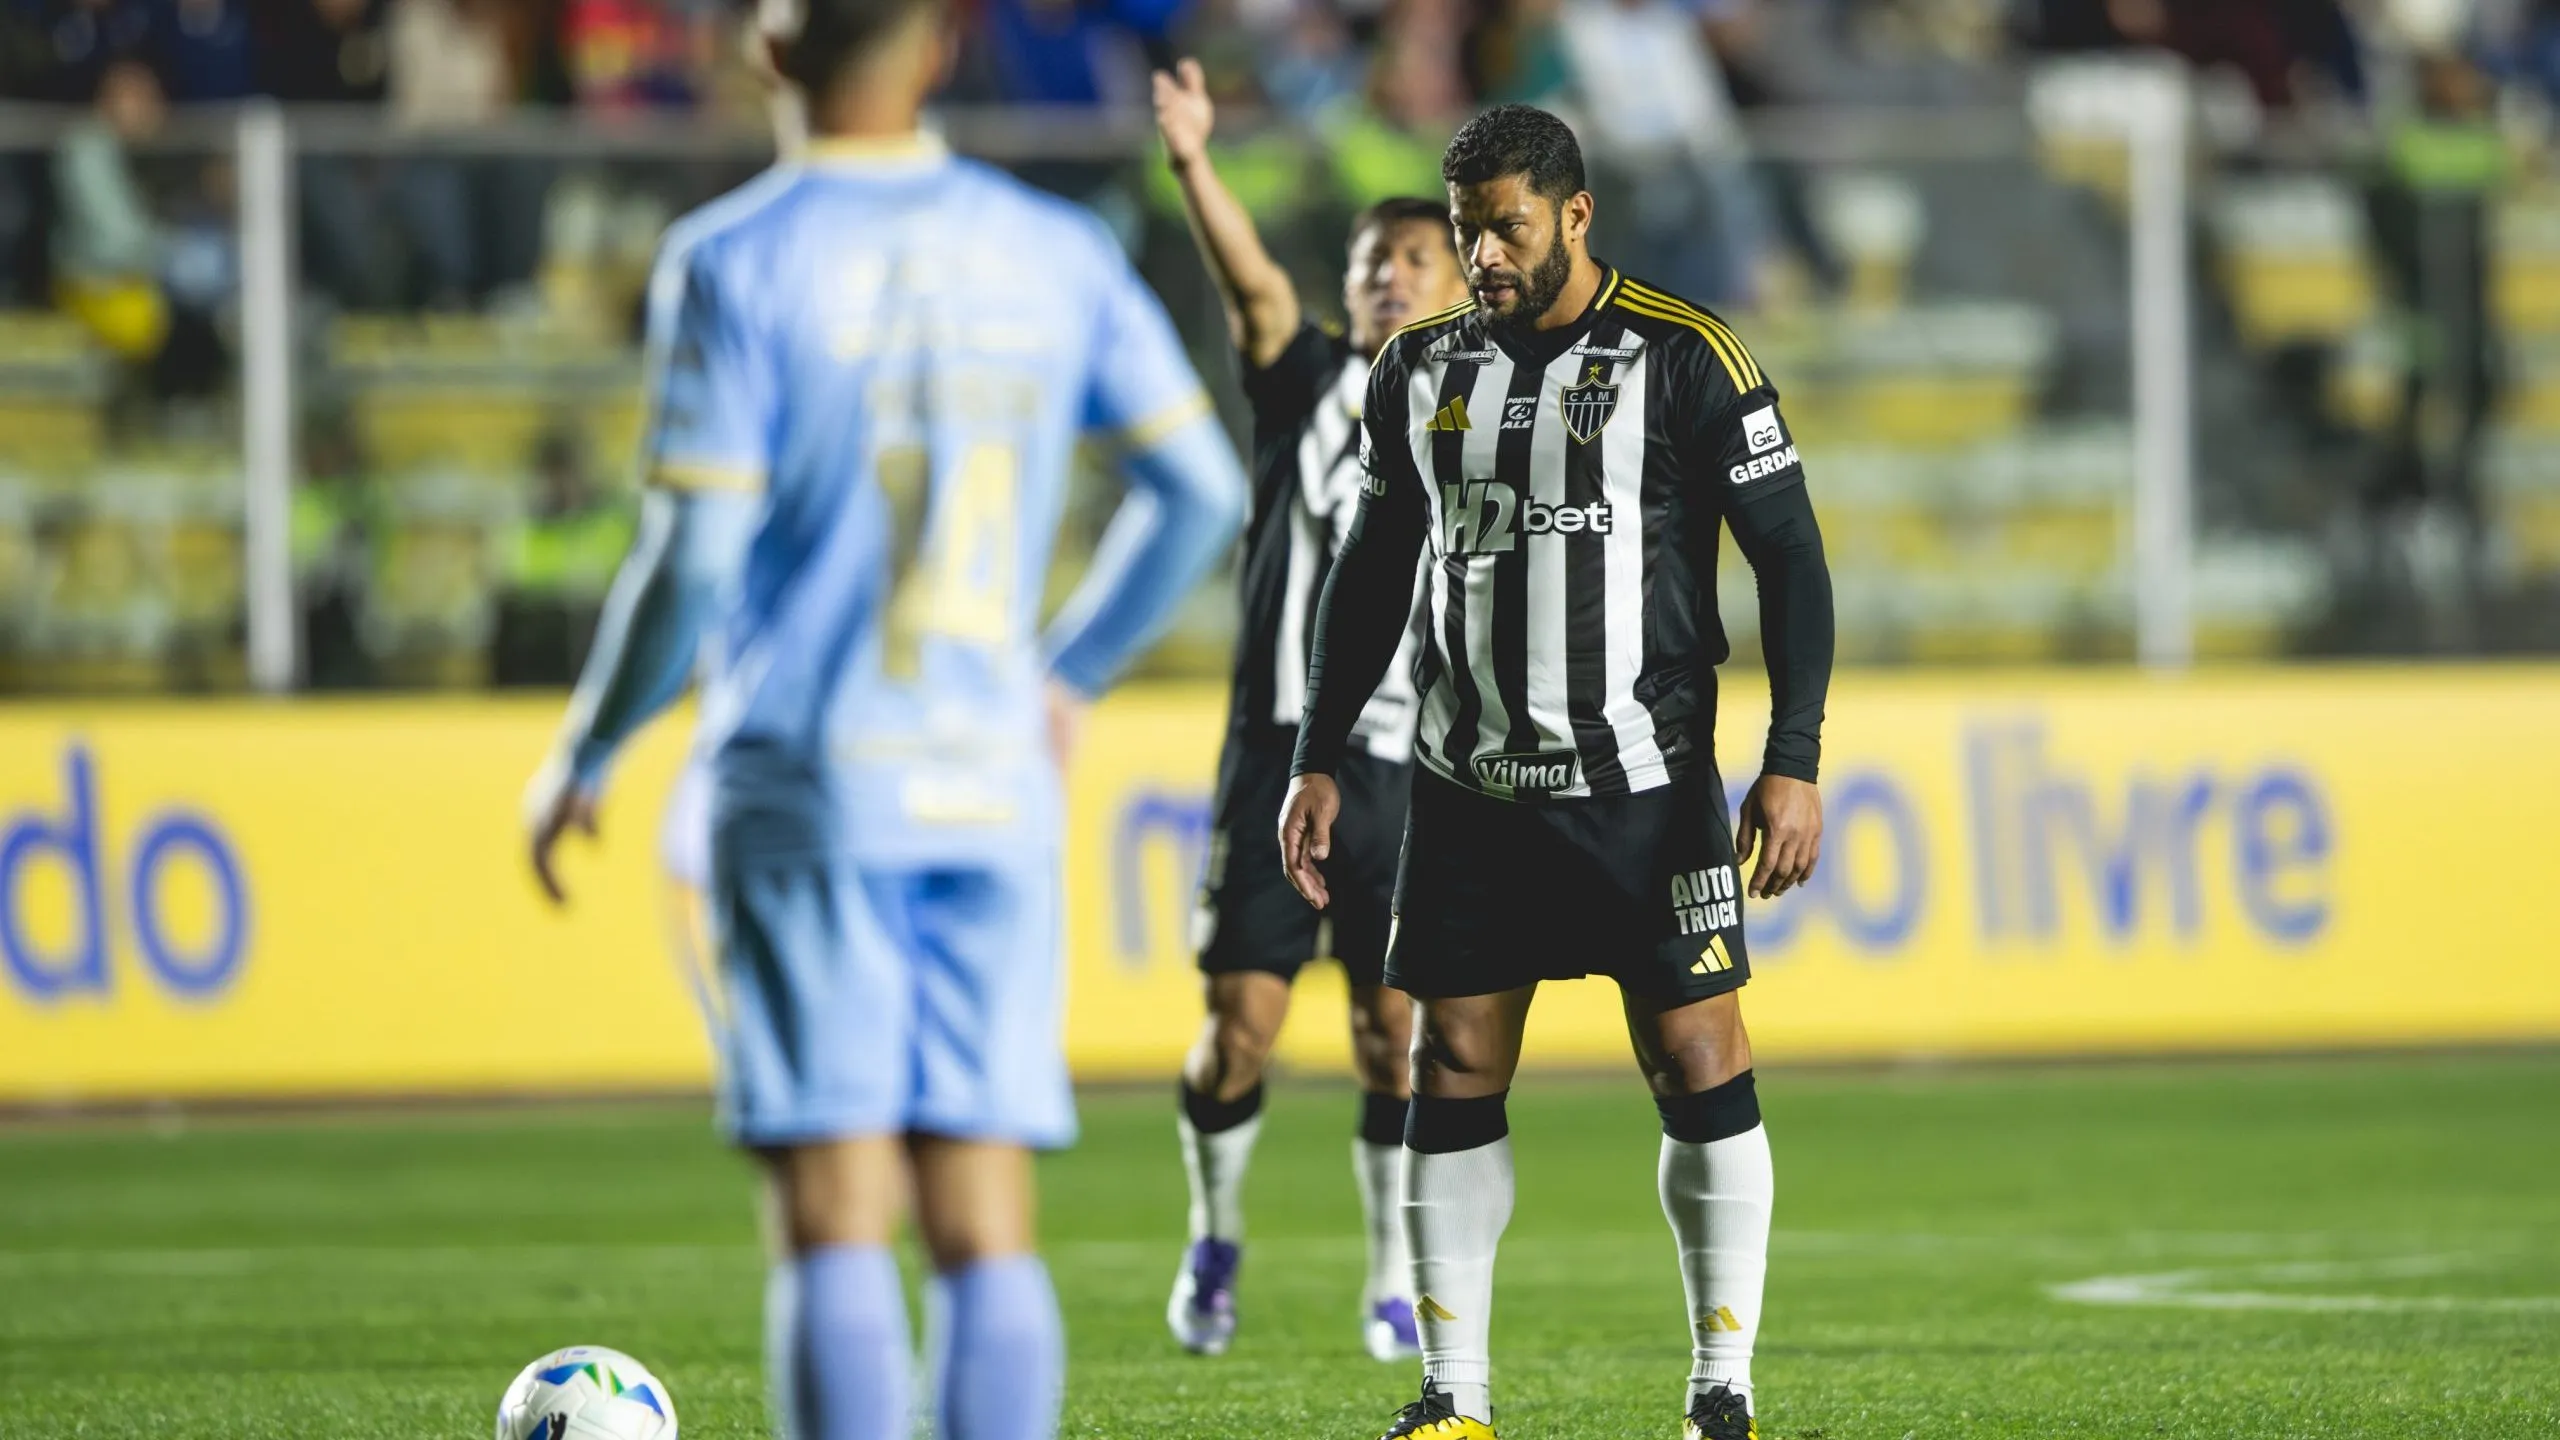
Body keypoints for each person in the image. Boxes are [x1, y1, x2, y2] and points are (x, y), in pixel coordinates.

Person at [520, 5, 1247, 1440]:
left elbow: (696, 558)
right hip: (990, 784)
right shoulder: (1055, 250)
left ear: (771, 55)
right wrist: (1067, 673)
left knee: (838, 1210)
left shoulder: (732, 261)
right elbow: (1204, 494)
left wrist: (591, 746)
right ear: (934, 52)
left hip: (808, 782)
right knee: (986, 1217)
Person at [1277, 104, 1833, 1440]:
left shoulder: (1688, 358)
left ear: (1575, 216)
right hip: (1470, 786)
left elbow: (1794, 564)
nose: (1482, 258)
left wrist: (1793, 761)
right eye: (1465, 232)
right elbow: (1369, 576)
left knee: (1697, 1053)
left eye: (1506, 228)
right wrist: (1317, 752)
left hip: (1647, 784)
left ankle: (1720, 1382)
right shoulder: (1418, 371)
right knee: (1452, 1058)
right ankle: (1454, 1401)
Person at [1149, 55, 1467, 1363]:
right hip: (1279, 753)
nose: (1386, 276)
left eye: (1413, 260)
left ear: (1456, 287)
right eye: (1370, 260)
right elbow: (1252, 287)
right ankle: (1214, 1238)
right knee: (1242, 1031)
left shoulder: (1480, 416)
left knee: (1392, 1036)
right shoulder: (1306, 384)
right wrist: (1194, 166)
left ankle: (1392, 1278)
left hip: (1408, 767)